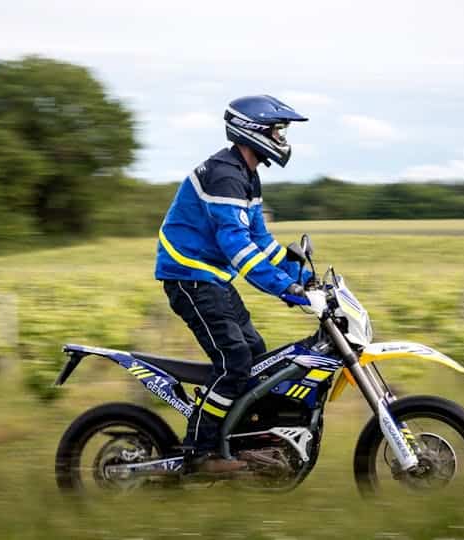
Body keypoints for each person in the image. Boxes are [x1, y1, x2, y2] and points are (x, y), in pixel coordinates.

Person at [155, 95, 312, 473]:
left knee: (256, 355)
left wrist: (304, 278)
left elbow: (261, 240)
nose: (282, 137)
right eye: (278, 129)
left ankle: (240, 444)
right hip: (189, 278)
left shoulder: (246, 176)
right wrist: (284, 288)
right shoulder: (225, 175)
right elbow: (237, 246)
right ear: (254, 131)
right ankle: (200, 452)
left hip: (212, 280)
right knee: (235, 362)